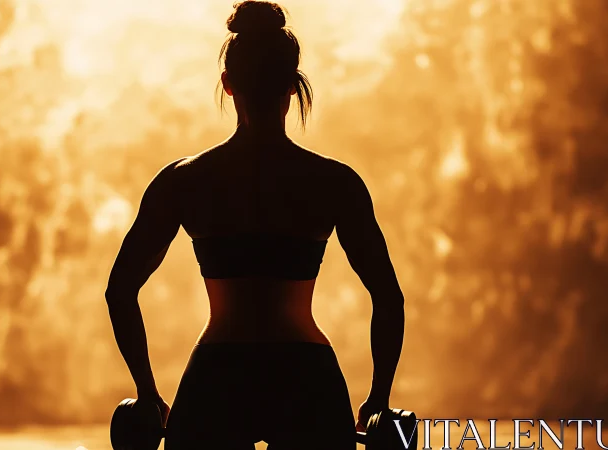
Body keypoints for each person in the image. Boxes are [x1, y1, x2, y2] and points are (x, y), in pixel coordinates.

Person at [104, 1, 406, 449]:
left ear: (228, 84)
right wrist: (378, 400)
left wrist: (148, 394)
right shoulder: (334, 182)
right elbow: (388, 296)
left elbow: (120, 289)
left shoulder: (184, 181)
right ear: (292, 86)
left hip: (218, 376)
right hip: (307, 378)